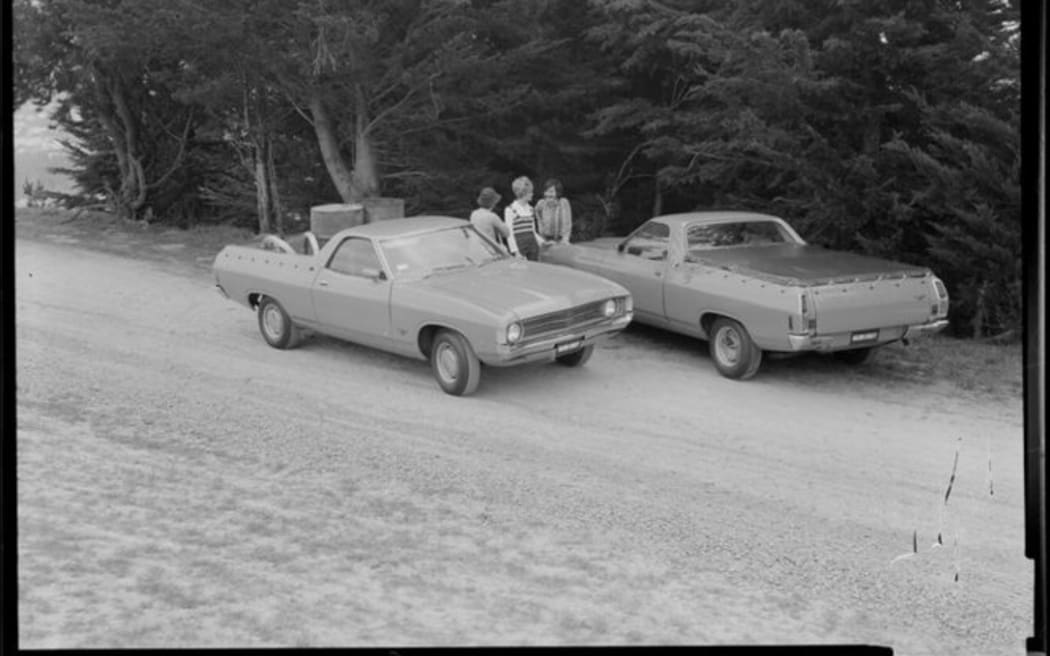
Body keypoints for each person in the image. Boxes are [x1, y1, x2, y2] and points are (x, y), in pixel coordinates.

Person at [503, 176, 540, 260]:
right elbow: (509, 234)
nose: (532, 194)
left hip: (533, 248)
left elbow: (533, 232)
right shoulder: (510, 209)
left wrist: (544, 243)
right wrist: (516, 252)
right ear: (523, 193)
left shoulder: (531, 209)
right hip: (520, 248)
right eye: (530, 192)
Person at [534, 178, 572, 245]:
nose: (548, 194)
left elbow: (567, 223)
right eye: (546, 191)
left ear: (557, 193)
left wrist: (565, 239)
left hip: (560, 240)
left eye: (551, 192)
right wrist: (542, 240)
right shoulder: (541, 204)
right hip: (545, 240)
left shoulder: (563, 203)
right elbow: (537, 218)